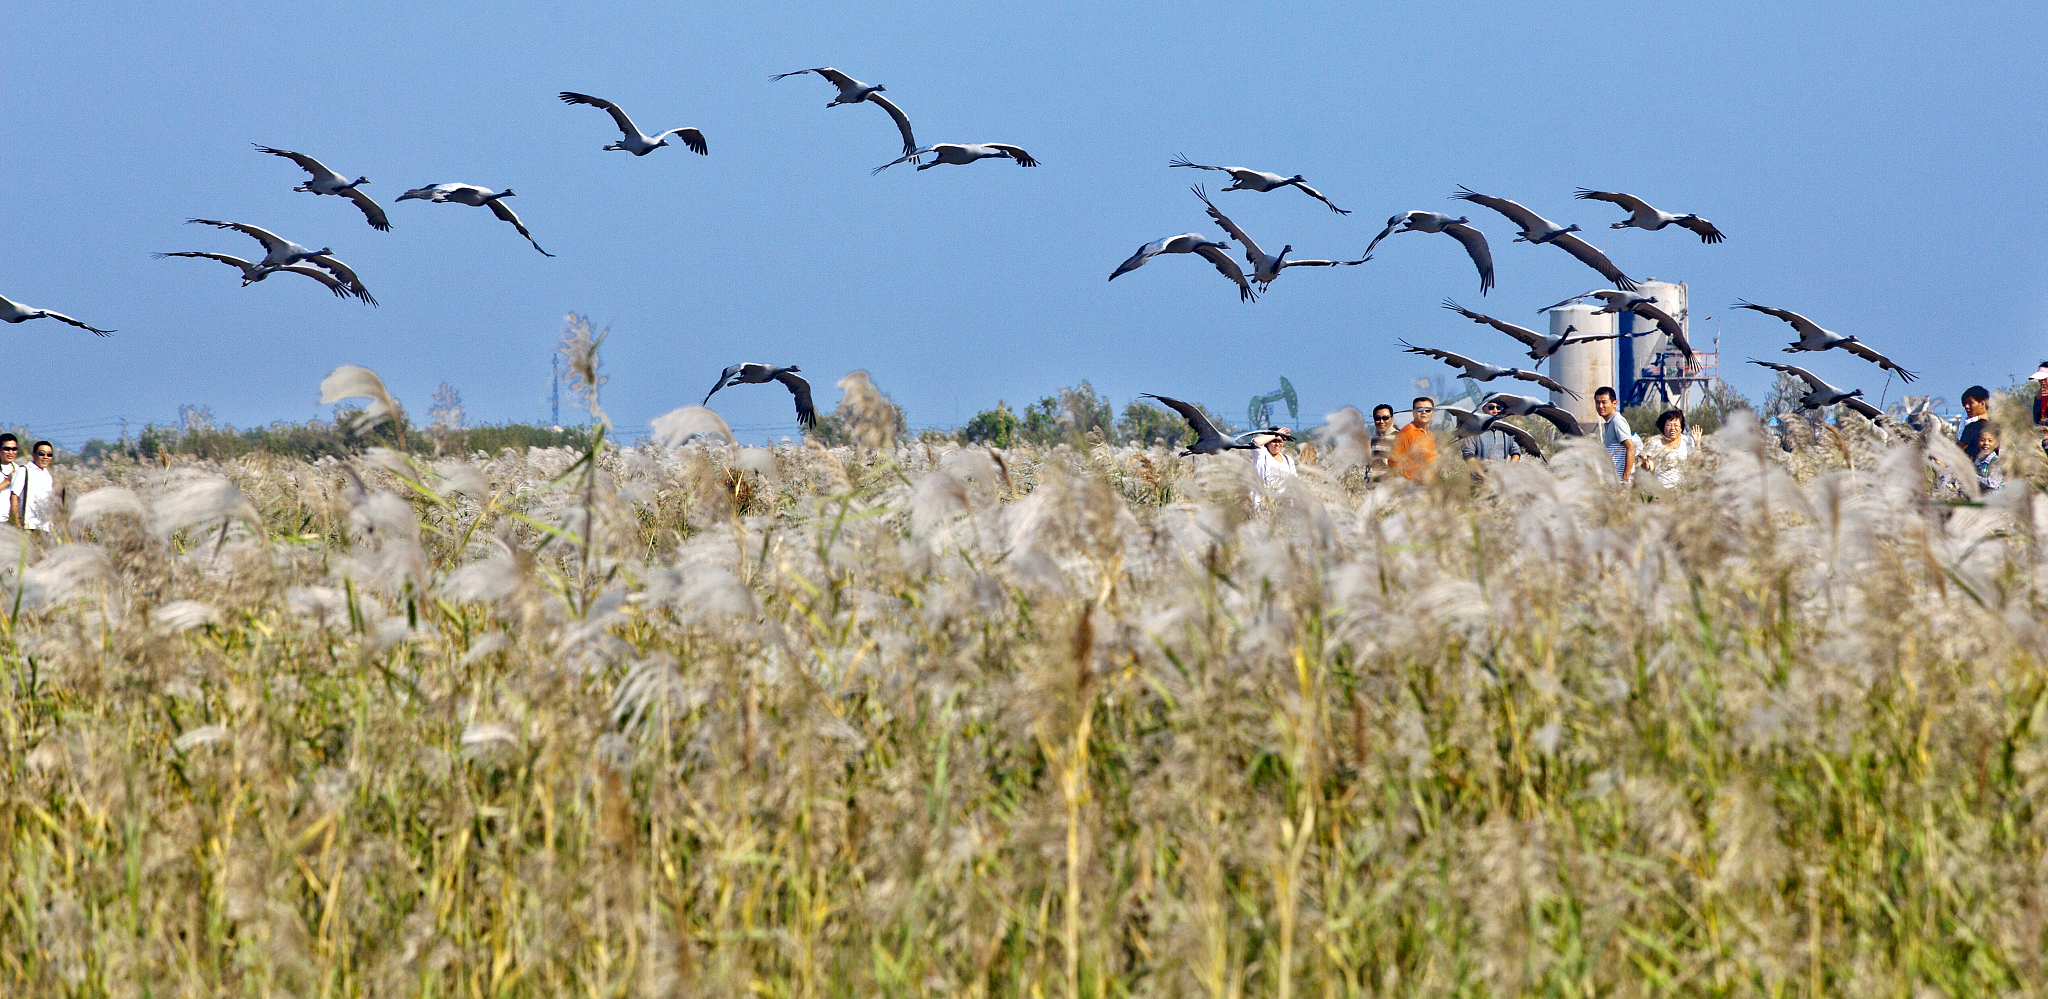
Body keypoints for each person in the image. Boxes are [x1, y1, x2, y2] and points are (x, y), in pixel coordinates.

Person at [1637, 408, 1699, 489]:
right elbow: (1646, 468)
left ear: (1681, 428)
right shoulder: (1655, 442)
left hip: (1681, 491)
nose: (1672, 428)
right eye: (1668, 425)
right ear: (1663, 427)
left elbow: (1695, 463)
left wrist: (1697, 442)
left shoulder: (1687, 440)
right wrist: (1644, 460)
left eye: (1676, 425)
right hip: (1661, 491)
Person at [1459, 398, 1522, 476]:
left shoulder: (1507, 431)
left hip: (1501, 481)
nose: (1495, 410)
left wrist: (1507, 470)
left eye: (1498, 407)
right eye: (1491, 407)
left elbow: (1516, 452)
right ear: (1483, 408)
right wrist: (1483, 476)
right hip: (1479, 482)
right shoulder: (1473, 431)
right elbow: (1468, 456)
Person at [1593, 387, 1638, 485]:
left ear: (1614, 403)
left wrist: (1625, 479)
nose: (1600, 406)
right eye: (1597, 402)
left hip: (1620, 484)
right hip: (1613, 483)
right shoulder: (1610, 423)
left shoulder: (1617, 421)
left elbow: (1631, 448)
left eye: (1604, 402)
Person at [10, 440, 55, 531]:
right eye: (41, 454)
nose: (45, 457)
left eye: (49, 454)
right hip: (27, 525)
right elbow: (14, 496)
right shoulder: (24, 470)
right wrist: (16, 520)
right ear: (33, 455)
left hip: (44, 527)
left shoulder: (48, 476)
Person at [1391, 397, 1438, 482]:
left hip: (1430, 487)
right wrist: (1408, 479)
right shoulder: (1407, 432)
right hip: (1413, 487)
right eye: (1419, 409)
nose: (1424, 412)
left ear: (1432, 413)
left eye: (1428, 410)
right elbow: (1393, 461)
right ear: (1413, 413)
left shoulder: (1431, 435)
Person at [1251, 430, 1298, 506]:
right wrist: (1275, 434)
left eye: (1280, 441)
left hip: (1284, 504)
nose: (1277, 444)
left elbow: (1295, 481)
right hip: (1263, 502)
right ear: (1267, 442)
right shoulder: (1261, 454)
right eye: (1273, 441)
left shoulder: (1288, 459)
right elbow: (1256, 441)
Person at [1957, 385, 1990, 460]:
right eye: (1965, 404)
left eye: (1970, 403)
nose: (1966, 406)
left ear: (1982, 404)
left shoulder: (1972, 427)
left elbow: (1957, 451)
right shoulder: (1997, 425)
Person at [1368, 404, 1396, 481]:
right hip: (1375, 485)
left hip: (1391, 485)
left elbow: (1406, 461)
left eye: (1385, 418)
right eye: (1377, 418)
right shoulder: (1374, 439)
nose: (1381, 421)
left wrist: (1386, 461)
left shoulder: (1399, 437)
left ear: (1392, 419)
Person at [1975, 422, 2003, 492]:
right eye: (1982, 440)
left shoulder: (1995, 462)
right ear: (1978, 442)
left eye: (1990, 441)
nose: (1986, 443)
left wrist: (1973, 477)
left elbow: (1993, 483)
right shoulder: (1978, 460)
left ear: (1996, 444)